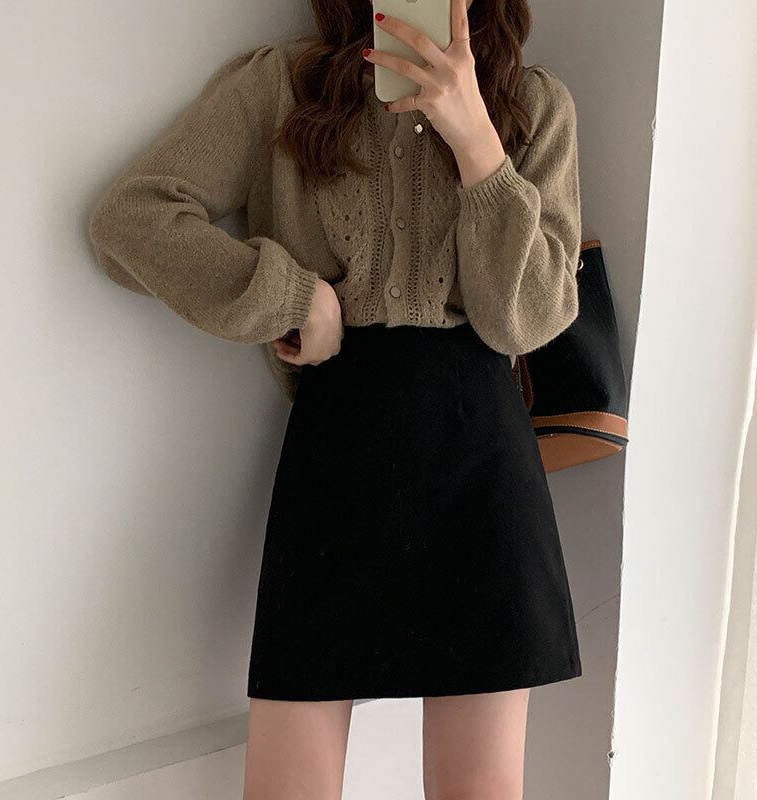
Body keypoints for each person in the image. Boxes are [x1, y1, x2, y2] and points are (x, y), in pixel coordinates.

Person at [87, 1, 583, 797]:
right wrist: (288, 298)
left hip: (482, 472)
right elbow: (131, 219)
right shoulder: (285, 85)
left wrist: (477, 142)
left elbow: (528, 317)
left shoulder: (534, 104)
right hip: (338, 457)